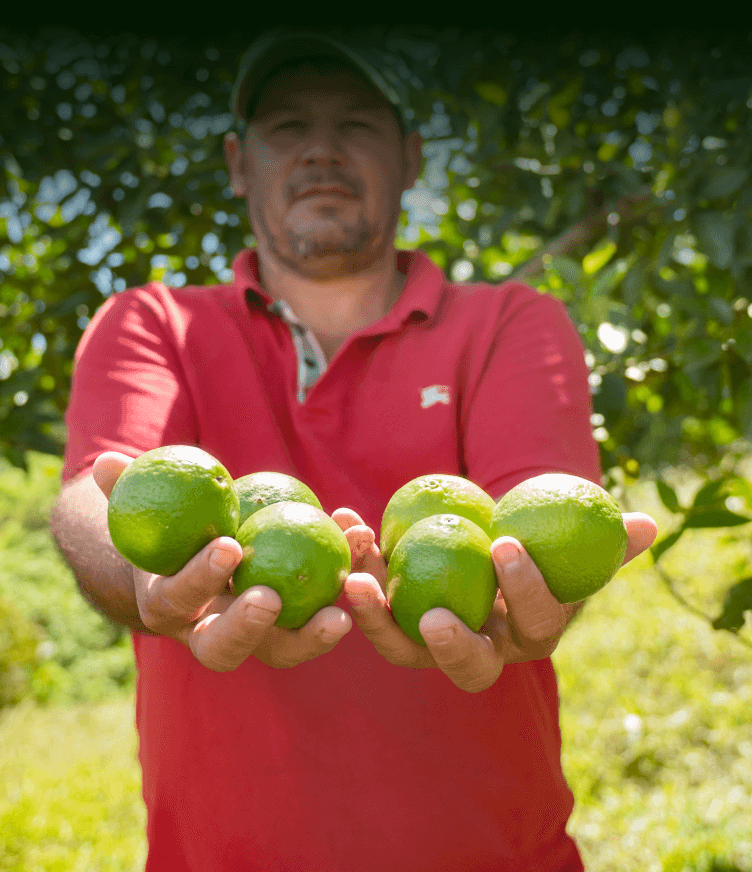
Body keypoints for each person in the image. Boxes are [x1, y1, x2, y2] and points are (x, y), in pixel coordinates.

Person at [49, 30, 658, 871]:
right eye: (288, 126)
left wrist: (531, 598)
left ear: (410, 157)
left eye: (357, 125)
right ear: (238, 162)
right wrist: (145, 577)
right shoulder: (151, 324)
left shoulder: (513, 323)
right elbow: (94, 490)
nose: (322, 151)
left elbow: (536, 520)